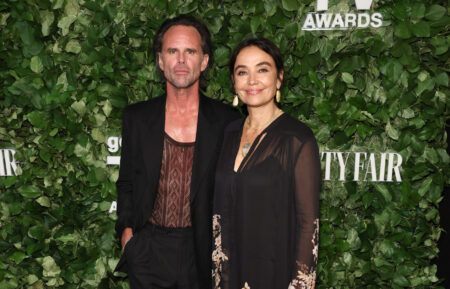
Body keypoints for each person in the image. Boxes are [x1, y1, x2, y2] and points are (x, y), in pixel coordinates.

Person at [114, 15, 240, 289]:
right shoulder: (137, 118)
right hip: (148, 250)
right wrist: (128, 236)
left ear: (204, 61)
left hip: (203, 252)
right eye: (173, 51)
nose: (181, 60)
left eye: (190, 51)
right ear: (160, 60)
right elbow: (126, 183)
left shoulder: (228, 120)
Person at [212, 38, 321, 289]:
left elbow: (308, 224)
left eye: (262, 70)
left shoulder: (297, 138)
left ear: (279, 78)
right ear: (234, 82)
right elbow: (219, 215)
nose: (252, 81)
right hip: (229, 274)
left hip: (276, 274)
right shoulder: (228, 134)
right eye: (242, 72)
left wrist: (301, 285)